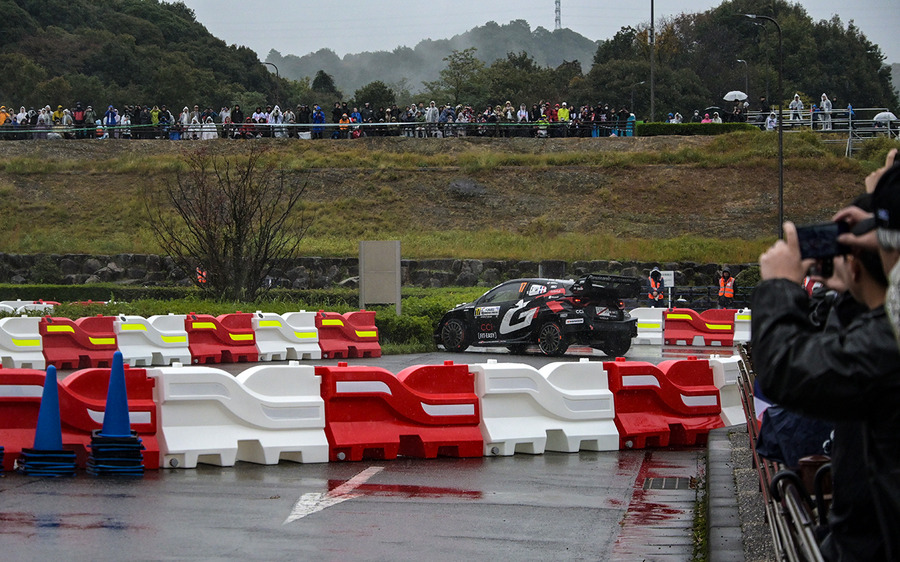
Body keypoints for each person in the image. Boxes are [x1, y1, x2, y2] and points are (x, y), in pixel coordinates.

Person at [752, 213, 900, 560]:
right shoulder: (879, 333)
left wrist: (779, 286)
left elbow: (785, 371)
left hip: (867, 539)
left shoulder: (883, 346)